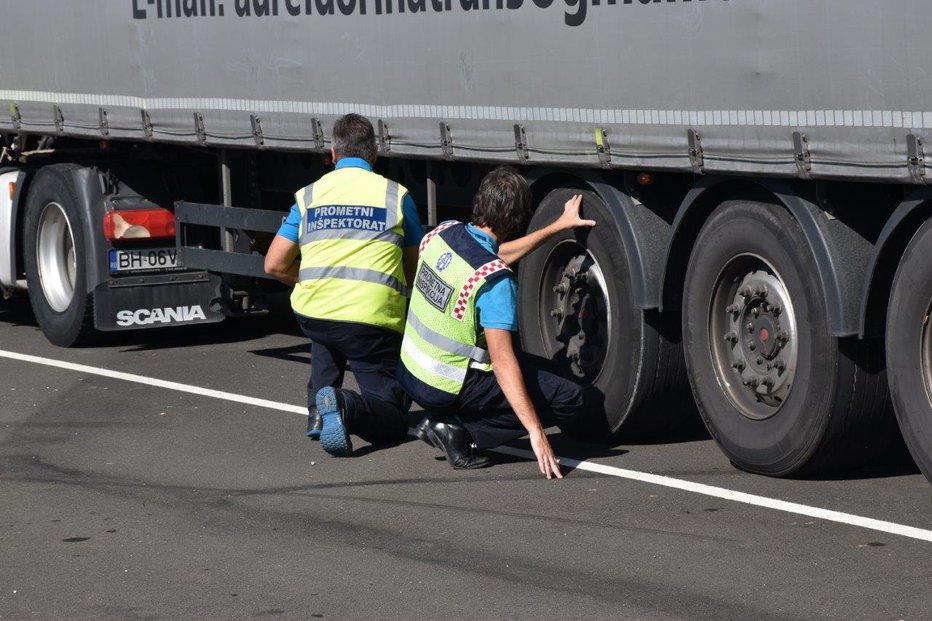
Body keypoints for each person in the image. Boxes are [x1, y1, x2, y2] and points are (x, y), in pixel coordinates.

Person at [398, 166, 595, 479]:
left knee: (553, 373)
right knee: (571, 397)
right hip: (446, 384)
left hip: (412, 373)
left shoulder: (442, 234)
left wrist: (557, 226)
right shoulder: (496, 284)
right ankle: (460, 432)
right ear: (518, 219)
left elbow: (492, 255)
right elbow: (503, 362)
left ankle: (442, 418)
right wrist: (536, 432)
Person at [264, 113, 424, 457]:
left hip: (316, 314)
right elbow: (414, 271)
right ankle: (344, 405)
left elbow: (274, 264)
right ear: (375, 154)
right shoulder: (396, 196)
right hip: (371, 320)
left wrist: (309, 278)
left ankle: (318, 413)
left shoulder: (309, 195)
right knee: (394, 420)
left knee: (326, 328)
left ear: (333, 153)